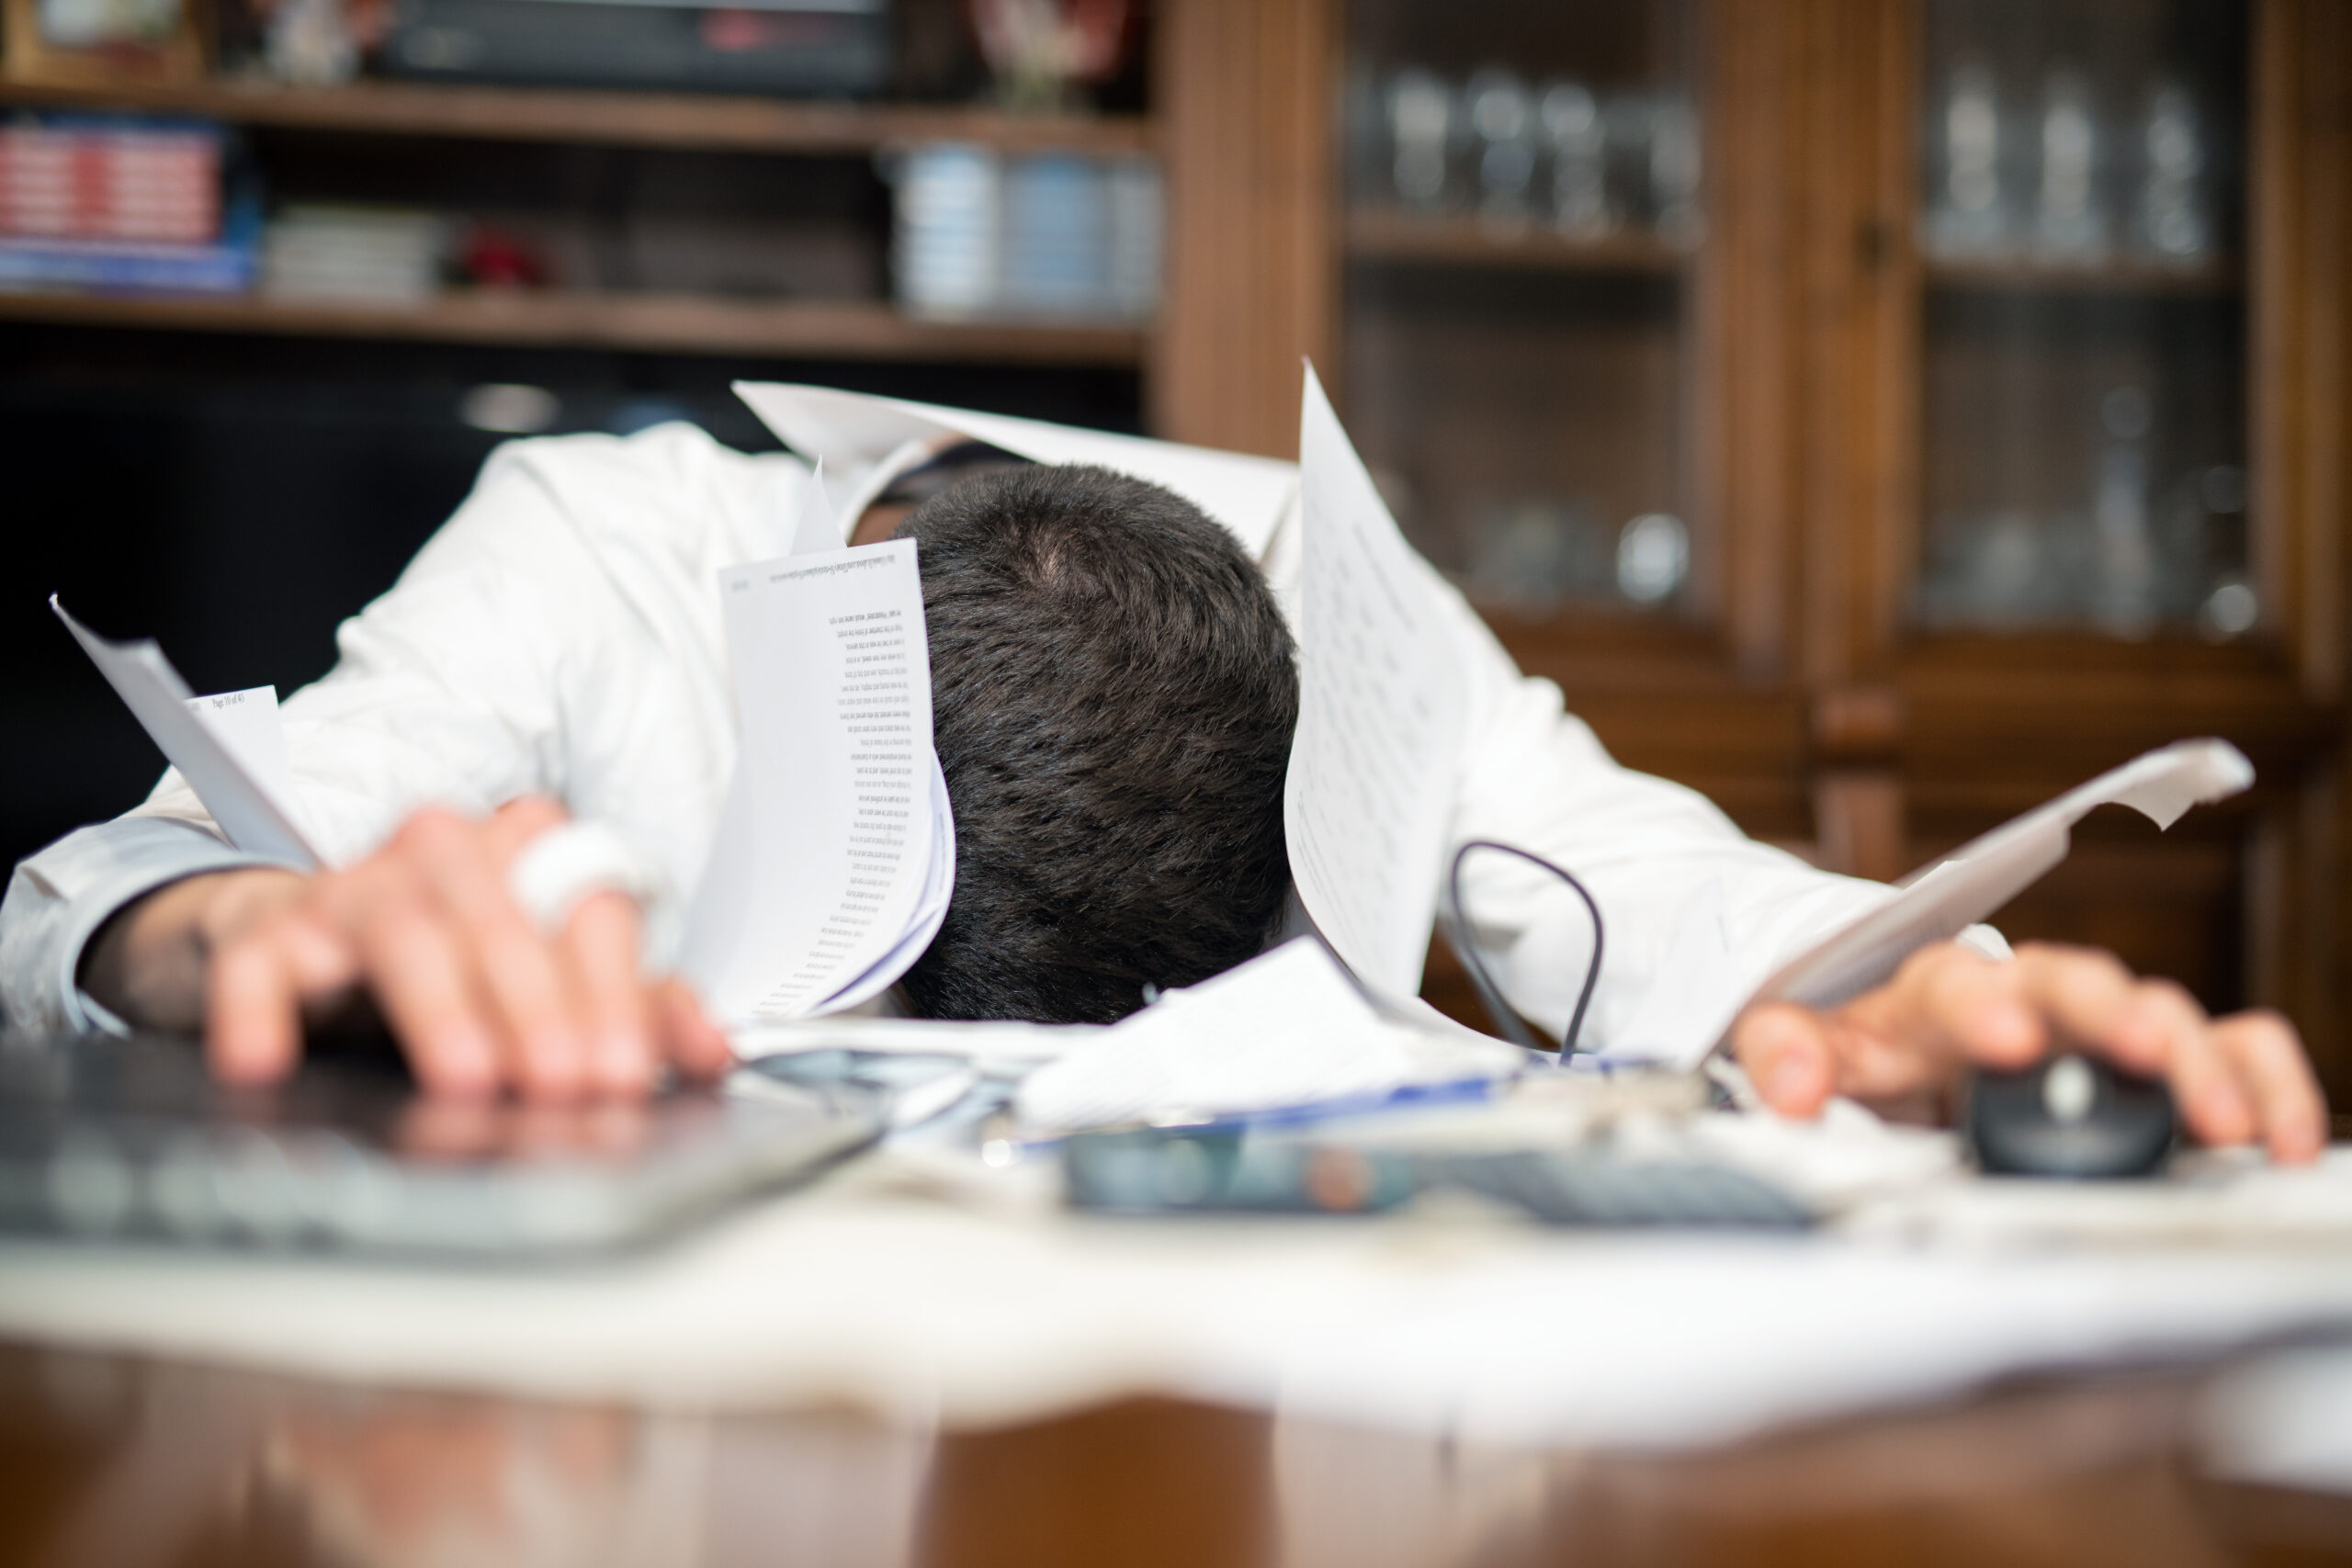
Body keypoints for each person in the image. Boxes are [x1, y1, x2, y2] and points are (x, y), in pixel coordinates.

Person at [0, 387, 2325, 1162]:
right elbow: (121, 877)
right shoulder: (595, 547)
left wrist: (1900, 990)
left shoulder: (1325, 572)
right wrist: (237, 923)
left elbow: (1636, 873)